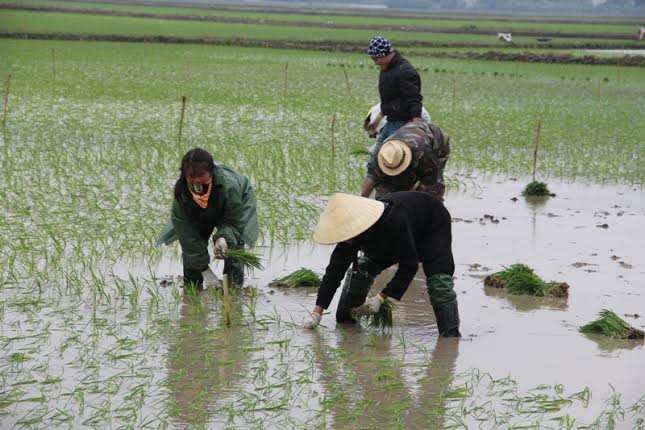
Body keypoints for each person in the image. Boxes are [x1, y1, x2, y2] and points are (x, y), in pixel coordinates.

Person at [303, 192, 461, 337]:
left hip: (431, 223)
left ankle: (450, 337)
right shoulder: (348, 235)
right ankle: (348, 325)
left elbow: (409, 265)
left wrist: (380, 297)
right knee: (361, 271)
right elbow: (333, 273)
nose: (345, 241)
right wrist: (317, 312)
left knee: (439, 282)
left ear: (356, 226)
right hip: (386, 240)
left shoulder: (393, 219)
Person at [157, 148, 258, 289]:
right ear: (184, 175)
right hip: (198, 209)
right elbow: (188, 236)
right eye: (191, 176)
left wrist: (223, 237)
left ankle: (233, 292)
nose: (196, 180)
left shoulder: (229, 186)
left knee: (234, 245)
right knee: (191, 250)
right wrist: (206, 272)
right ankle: (192, 291)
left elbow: (234, 220)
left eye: (201, 175)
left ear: (211, 172)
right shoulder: (182, 194)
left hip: (234, 204)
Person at [361, 36, 424, 198]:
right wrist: (376, 121)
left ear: (384, 54)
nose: (374, 62)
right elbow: (388, 101)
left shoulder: (405, 71)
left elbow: (414, 99)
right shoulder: (386, 70)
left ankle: (405, 202)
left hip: (404, 125)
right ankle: (361, 202)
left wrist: (416, 128)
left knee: (399, 168)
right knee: (374, 163)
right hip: (390, 123)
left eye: (376, 58)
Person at [368, 121, 450, 199]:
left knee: (430, 193)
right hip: (408, 137)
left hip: (436, 139)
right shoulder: (384, 156)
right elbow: (380, 185)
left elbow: (432, 182)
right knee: (398, 187)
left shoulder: (422, 153)